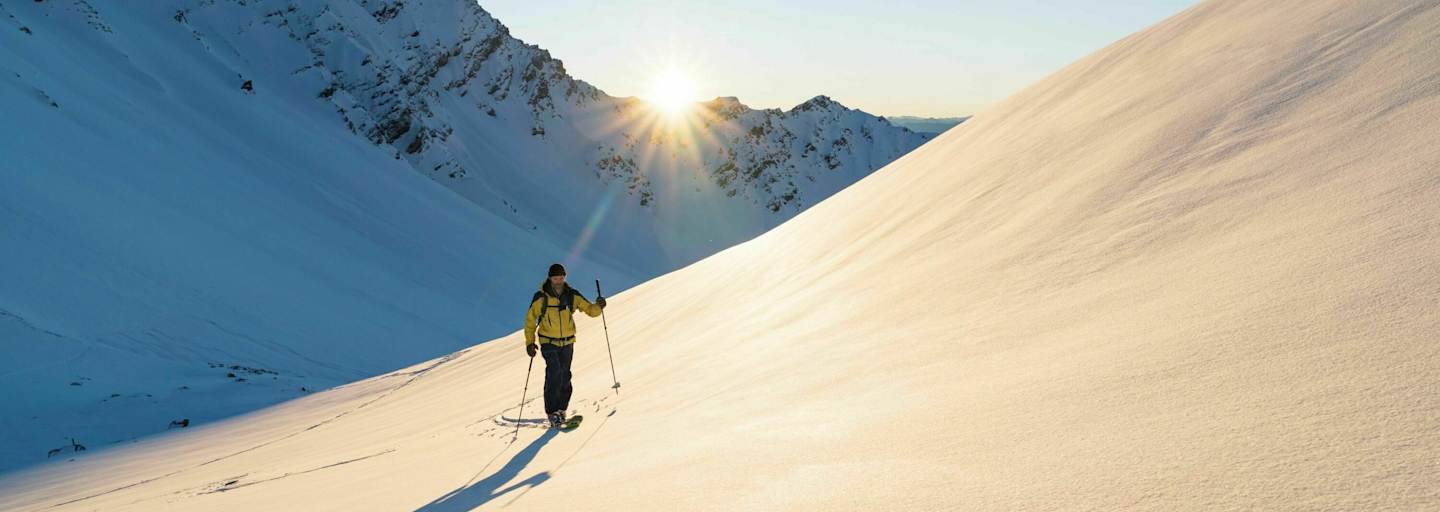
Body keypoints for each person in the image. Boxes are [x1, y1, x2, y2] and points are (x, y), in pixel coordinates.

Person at [523, 263, 606, 428]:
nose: (558, 281)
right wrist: (529, 343)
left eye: (561, 277)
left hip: (567, 342)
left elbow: (590, 310)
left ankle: (562, 410)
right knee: (554, 373)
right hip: (548, 341)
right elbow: (530, 321)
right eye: (555, 278)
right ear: (550, 278)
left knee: (565, 376)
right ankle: (552, 412)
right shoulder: (541, 297)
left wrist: (599, 306)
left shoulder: (571, 295)